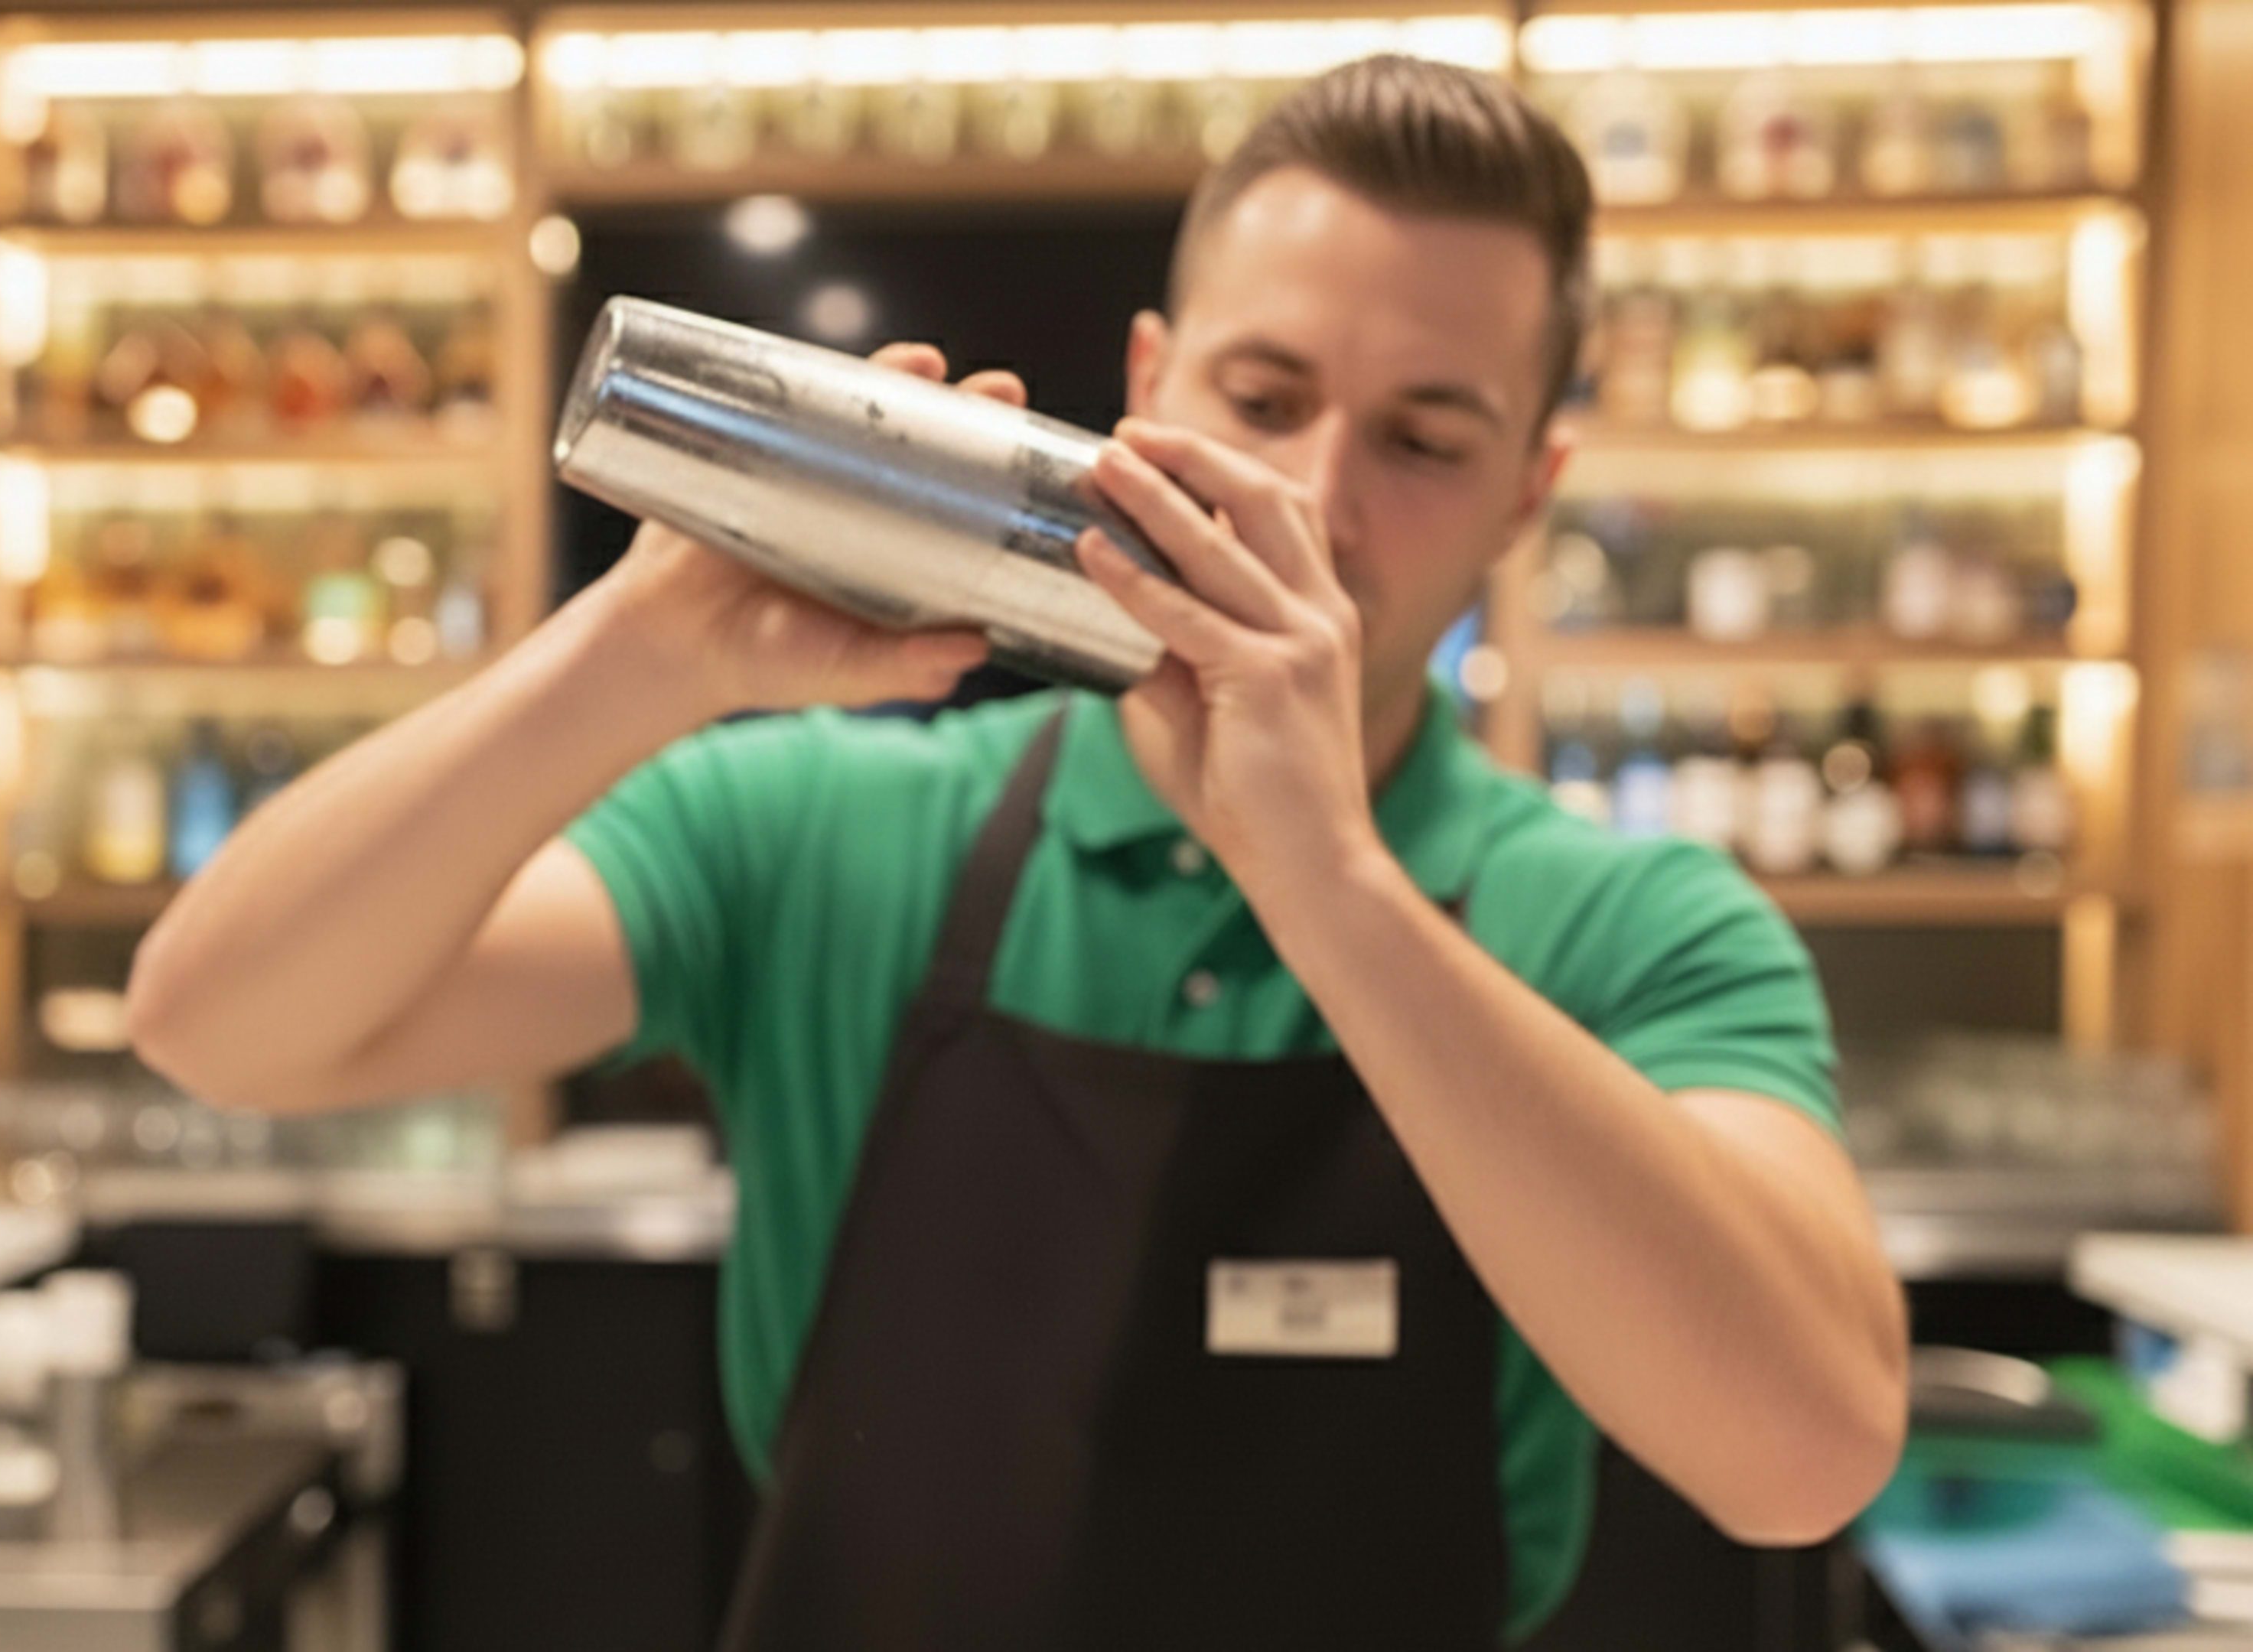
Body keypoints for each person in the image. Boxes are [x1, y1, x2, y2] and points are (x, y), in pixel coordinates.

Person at [127, 53, 1907, 1648]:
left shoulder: (1631, 925)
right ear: (1147, 382)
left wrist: (1334, 888)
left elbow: (1802, 1453)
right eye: (1265, 397)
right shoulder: (829, 824)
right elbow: (224, 1026)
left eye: (1428, 439)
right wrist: (634, 658)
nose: (1320, 500)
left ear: (1533, 488)